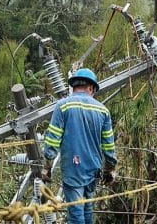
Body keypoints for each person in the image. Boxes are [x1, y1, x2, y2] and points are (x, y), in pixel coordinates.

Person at [43, 68, 117, 224]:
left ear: (74, 86)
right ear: (91, 87)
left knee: (76, 212)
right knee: (87, 208)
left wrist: (47, 167)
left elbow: (52, 140)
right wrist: (109, 169)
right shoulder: (103, 110)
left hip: (73, 169)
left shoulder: (63, 106)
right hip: (94, 169)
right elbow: (109, 146)